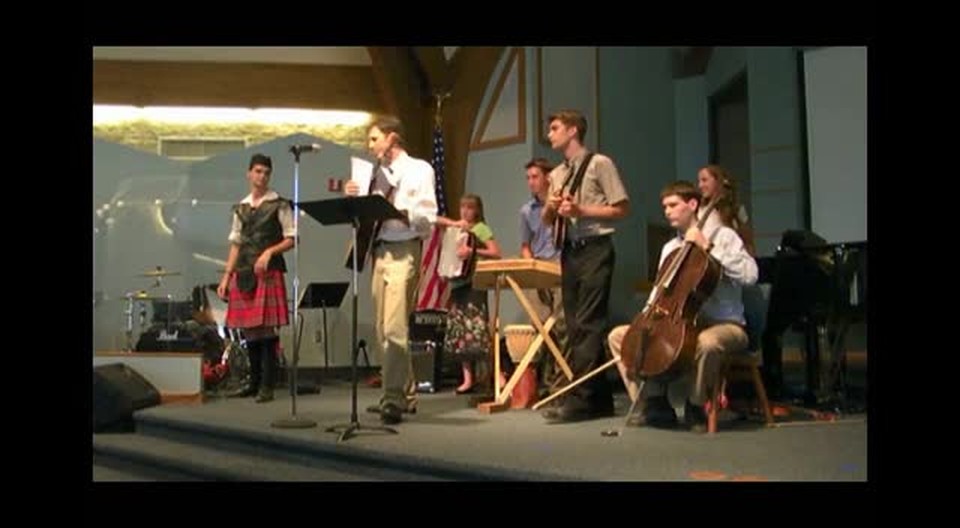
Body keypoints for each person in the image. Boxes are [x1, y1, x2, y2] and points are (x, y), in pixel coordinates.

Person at [607, 181, 758, 431]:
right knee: (619, 337)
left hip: (725, 324)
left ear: (693, 204)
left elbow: (751, 275)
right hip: (679, 324)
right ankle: (653, 403)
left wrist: (707, 247)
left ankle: (695, 405)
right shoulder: (670, 248)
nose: (667, 211)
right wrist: (644, 320)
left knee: (707, 342)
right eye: (665, 207)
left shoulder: (724, 236)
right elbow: (659, 292)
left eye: (673, 205)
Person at [344, 115, 438, 425]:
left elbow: (428, 218)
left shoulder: (420, 169)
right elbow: (363, 220)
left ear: (392, 138)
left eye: (374, 139)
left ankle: (393, 397)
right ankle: (403, 393)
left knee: (396, 326)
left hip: (404, 249)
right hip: (379, 251)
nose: (369, 145)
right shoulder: (374, 175)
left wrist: (398, 212)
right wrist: (354, 199)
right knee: (382, 329)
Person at [540, 109, 630, 423]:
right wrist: (551, 208)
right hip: (570, 251)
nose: (549, 135)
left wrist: (582, 210)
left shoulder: (600, 163)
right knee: (575, 325)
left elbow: (621, 208)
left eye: (554, 128)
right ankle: (599, 399)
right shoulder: (556, 174)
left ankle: (580, 398)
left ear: (573, 130)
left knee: (589, 322)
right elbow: (547, 220)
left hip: (595, 248)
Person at [216, 153, 295, 403]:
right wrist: (226, 277)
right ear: (249, 173)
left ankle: (267, 385)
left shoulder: (279, 204)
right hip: (244, 271)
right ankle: (254, 382)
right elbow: (236, 244)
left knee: (266, 328)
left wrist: (269, 252)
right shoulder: (241, 207)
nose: (262, 176)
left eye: (266, 172)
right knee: (250, 329)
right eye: (258, 171)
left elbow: (291, 238)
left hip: (268, 271)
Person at [435, 194, 502, 393]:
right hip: (458, 284)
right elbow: (448, 249)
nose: (465, 211)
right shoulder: (456, 229)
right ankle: (467, 378)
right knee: (460, 332)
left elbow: (496, 252)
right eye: (462, 207)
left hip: (474, 284)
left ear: (477, 210)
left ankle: (496, 374)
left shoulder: (481, 229)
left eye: (470, 207)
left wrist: (473, 251)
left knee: (477, 330)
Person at [519, 158, 566, 389]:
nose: (531, 182)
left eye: (535, 176)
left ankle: (563, 378)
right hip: (538, 265)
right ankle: (547, 381)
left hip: (560, 264)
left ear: (548, 177)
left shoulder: (561, 204)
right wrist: (530, 267)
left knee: (562, 324)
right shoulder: (526, 211)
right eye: (528, 178)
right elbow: (525, 245)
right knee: (541, 325)